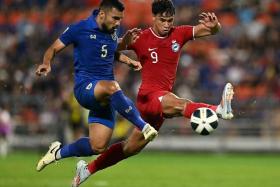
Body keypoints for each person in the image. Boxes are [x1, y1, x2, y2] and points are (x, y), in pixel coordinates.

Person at [71, 0, 234, 187]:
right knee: (180, 104)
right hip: (148, 97)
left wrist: (215, 26)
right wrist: (124, 42)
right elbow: (110, 48)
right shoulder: (141, 37)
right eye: (163, 20)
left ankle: (87, 169)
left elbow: (210, 31)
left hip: (162, 99)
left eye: (170, 20)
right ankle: (218, 109)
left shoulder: (179, 33)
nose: (167, 25)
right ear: (154, 17)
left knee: (130, 148)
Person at [35, 0, 158, 173]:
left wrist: (127, 59)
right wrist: (46, 63)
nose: (118, 23)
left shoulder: (113, 30)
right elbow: (53, 48)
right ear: (102, 14)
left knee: (98, 146)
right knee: (113, 87)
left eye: (120, 19)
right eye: (115, 18)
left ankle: (57, 152)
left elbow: (109, 51)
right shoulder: (80, 28)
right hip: (85, 88)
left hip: (105, 95)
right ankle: (144, 126)